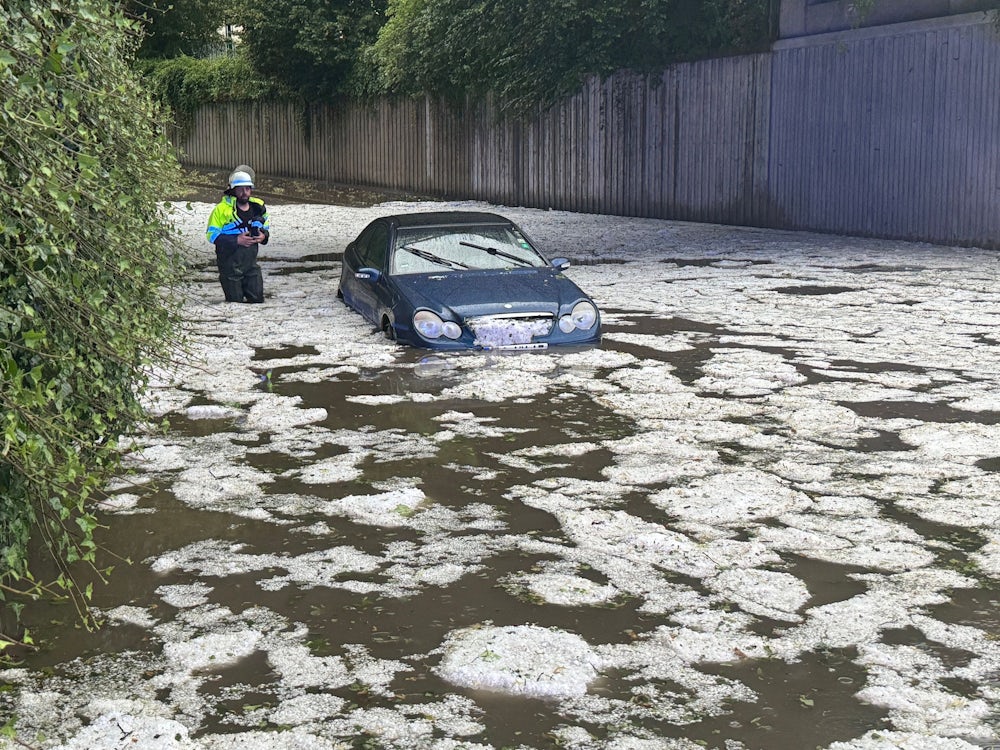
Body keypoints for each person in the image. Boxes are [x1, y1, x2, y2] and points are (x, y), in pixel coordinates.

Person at [206, 166, 270, 303]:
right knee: (235, 302)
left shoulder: (258, 208)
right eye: (240, 189)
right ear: (233, 190)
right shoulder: (221, 210)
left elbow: (266, 227)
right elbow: (211, 235)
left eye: (247, 189)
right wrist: (236, 240)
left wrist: (263, 236)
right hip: (230, 267)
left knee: (258, 301)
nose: (244, 192)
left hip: (251, 266)